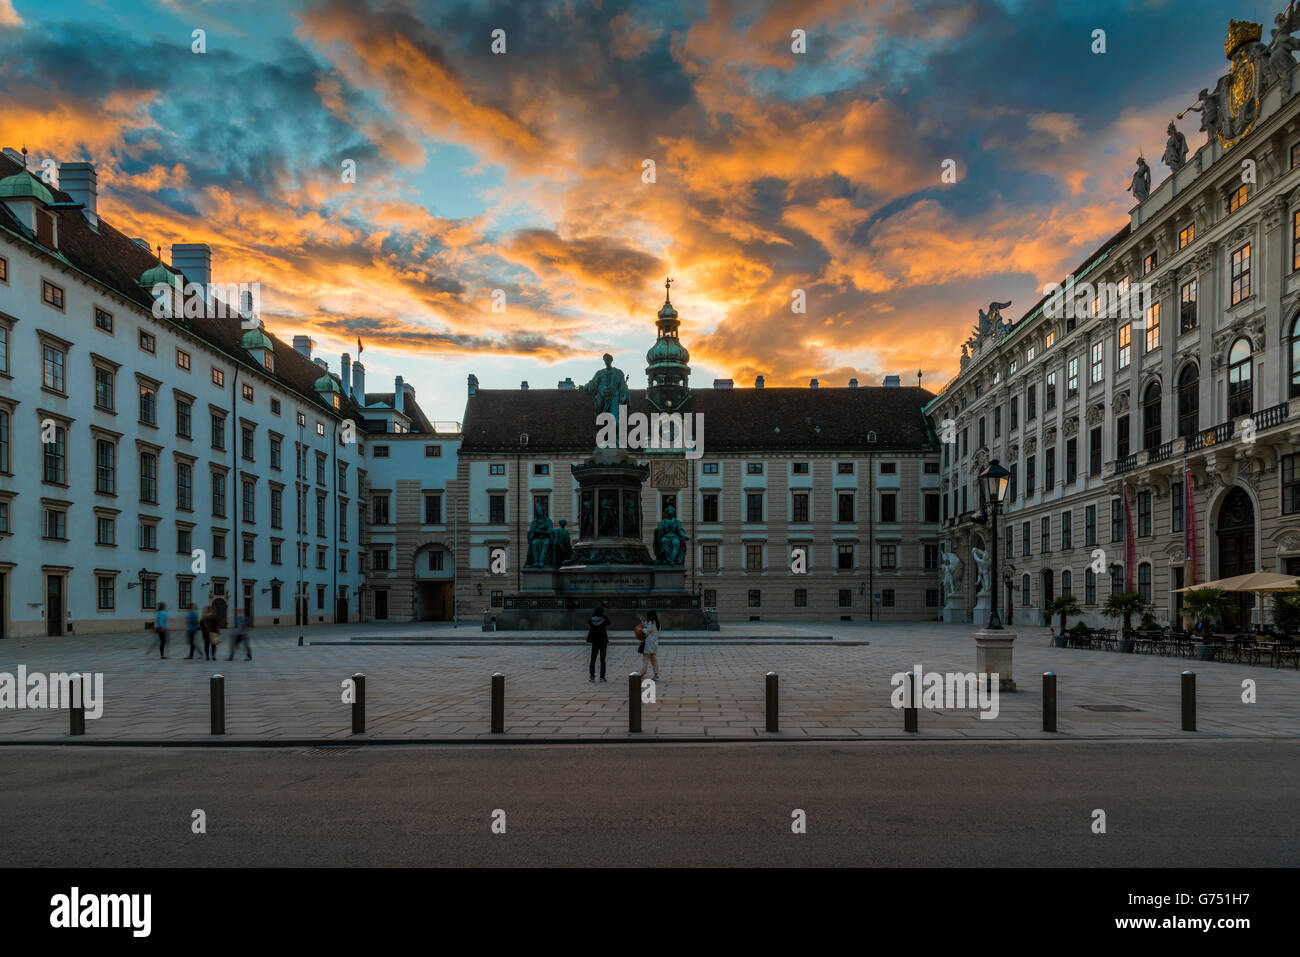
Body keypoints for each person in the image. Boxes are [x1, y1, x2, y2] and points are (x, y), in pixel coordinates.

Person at [585, 605, 611, 682]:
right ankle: (602, 677)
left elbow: (589, 621)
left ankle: (592, 677)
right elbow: (609, 622)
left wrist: (593, 615)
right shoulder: (604, 620)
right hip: (603, 641)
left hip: (595, 642)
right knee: (602, 660)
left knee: (593, 659)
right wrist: (604, 615)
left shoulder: (591, 620)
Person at [638, 609, 662, 682]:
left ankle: (641, 675)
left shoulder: (651, 623)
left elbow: (646, 632)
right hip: (654, 644)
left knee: (645, 660)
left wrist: (643, 627)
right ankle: (656, 675)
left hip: (648, 644)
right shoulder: (658, 623)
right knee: (654, 660)